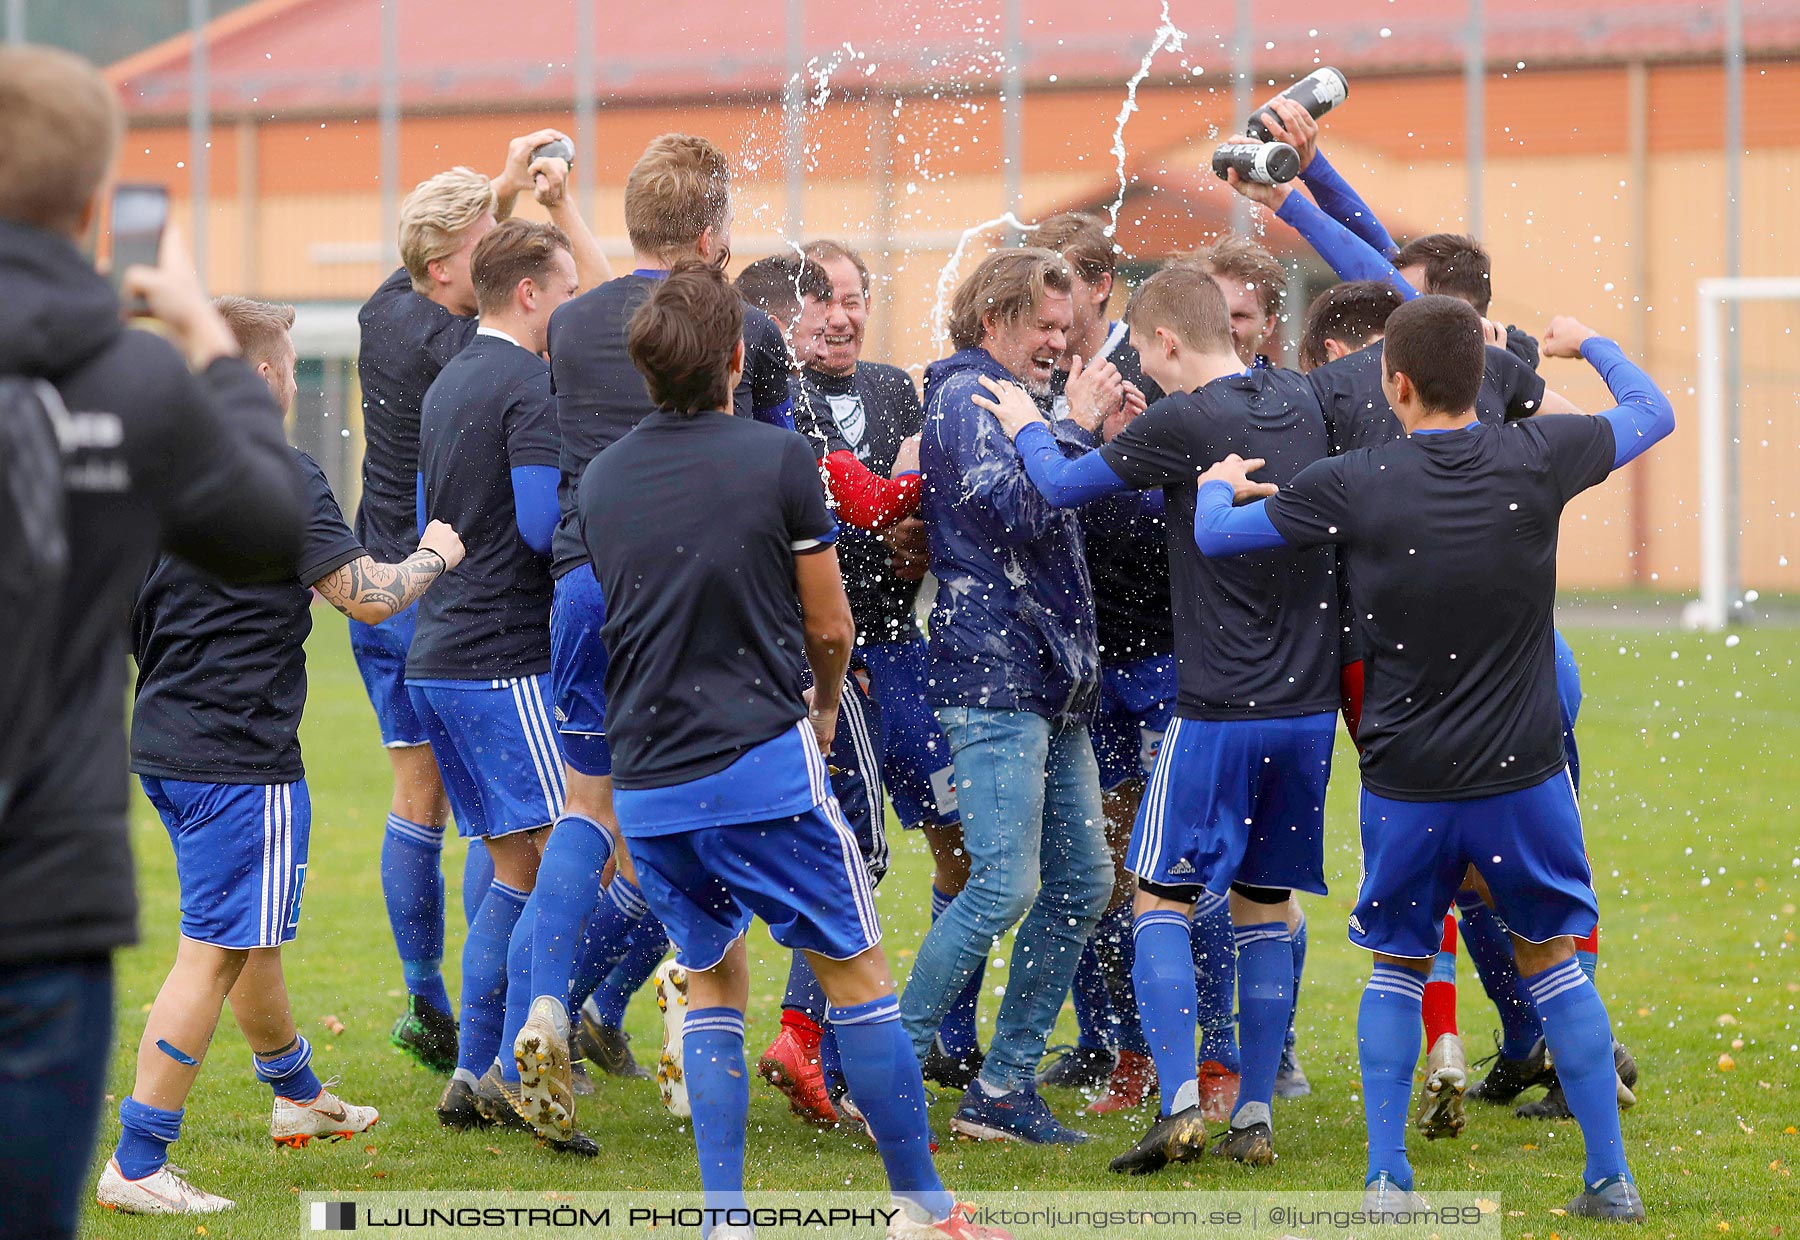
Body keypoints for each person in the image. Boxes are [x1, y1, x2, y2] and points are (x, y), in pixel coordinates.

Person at [1192, 295, 1670, 1221]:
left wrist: (1221, 481)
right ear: (1484, 377)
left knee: (1398, 968)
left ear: (1394, 383)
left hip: (1406, 783)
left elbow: (1216, 538)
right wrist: (1590, 344)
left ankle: (1386, 1182)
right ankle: (1610, 1181)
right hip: (1526, 778)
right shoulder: (1541, 456)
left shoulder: (1354, 480)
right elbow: (1655, 412)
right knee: (1554, 961)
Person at [580, 259, 1008, 1240]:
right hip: (759, 762)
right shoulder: (777, 463)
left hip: (649, 781)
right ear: (738, 359)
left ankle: (725, 1217)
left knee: (714, 980)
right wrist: (821, 707)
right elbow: (830, 627)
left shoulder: (601, 478)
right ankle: (925, 1208)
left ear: (646, 372)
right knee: (856, 972)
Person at [0, 44, 306, 1240]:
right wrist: (203, 338)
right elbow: (264, 526)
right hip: (42, 886)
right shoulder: (134, 374)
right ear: (94, 211)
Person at [98, 297, 466, 1214]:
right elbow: (371, 597)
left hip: (170, 747)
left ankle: (297, 1097)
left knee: (246, 934)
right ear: (264, 378)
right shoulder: (281, 473)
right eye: (293, 366)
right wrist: (435, 552)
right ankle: (138, 1164)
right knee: (215, 953)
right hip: (237, 757)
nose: (297, 385)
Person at [973, 265, 1339, 1173]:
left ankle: (1179, 1100)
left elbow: (1059, 486)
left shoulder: (1185, 421)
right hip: (1309, 713)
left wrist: (1029, 423)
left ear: (1167, 340)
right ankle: (1252, 1110)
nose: (1135, 360)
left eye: (1139, 344)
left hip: (1215, 707)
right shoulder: (1297, 397)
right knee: (1264, 906)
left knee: (1157, 897)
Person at [356, 137, 609, 1075]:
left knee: (456, 820)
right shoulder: (488, 355)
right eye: (485, 240)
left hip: (402, 599)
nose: (499, 242)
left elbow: (438, 262)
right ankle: (504, 1041)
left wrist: (497, 193)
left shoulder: (387, 317)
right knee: (535, 842)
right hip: (472, 620)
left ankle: (449, 1027)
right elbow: (542, 524)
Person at [901, 248, 1116, 1144]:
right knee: (1001, 886)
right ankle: (886, 1058)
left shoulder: (1015, 401)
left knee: (1082, 881)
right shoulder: (968, 398)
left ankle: (1002, 1088)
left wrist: (1083, 430)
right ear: (994, 318)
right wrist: (1074, 424)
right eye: (1045, 327)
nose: (1059, 346)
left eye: (1068, 331)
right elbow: (1021, 510)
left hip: (1046, 680)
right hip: (992, 679)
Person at [1026, 213, 1238, 1120]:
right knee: (1105, 866)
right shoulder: (1031, 376)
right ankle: (1121, 1046)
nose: (1050, 307)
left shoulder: (1156, 375)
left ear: (1099, 288)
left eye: (1062, 285)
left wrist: (1117, 440)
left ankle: (1222, 1053)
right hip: (1084, 664)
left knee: (1188, 865)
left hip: (1163, 656)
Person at [405, 220, 584, 1143]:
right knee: (560, 860)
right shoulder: (524, 380)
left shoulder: (449, 380)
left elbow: (444, 515)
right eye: (562, 295)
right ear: (527, 294)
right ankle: (513, 1058)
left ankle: (475, 1068)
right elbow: (538, 527)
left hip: (440, 655)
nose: (568, 313)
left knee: (515, 868)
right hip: (501, 655)